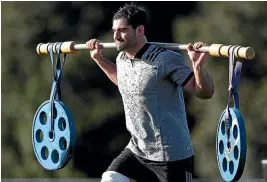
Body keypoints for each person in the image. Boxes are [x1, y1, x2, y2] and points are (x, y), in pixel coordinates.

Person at [86, 3, 214, 182]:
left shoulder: (167, 59)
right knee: (110, 178)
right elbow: (125, 83)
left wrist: (197, 66)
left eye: (122, 30)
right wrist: (99, 59)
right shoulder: (121, 59)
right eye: (114, 30)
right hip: (138, 151)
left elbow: (204, 92)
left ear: (139, 30)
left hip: (171, 156)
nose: (115, 36)